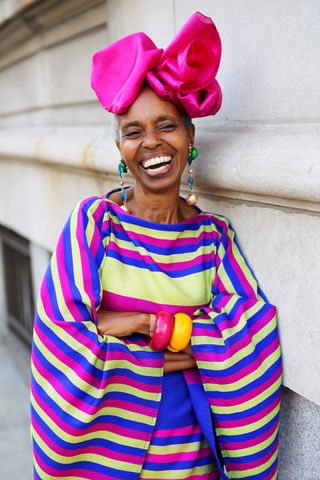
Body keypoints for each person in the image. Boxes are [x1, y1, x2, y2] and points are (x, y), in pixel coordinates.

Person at [31, 12, 282, 480]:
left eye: (166, 125)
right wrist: (183, 335)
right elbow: (60, 340)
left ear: (190, 137)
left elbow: (253, 338)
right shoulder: (93, 225)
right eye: (133, 131)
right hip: (102, 459)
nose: (151, 143)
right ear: (121, 149)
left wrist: (129, 325)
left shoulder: (214, 238)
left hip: (192, 455)